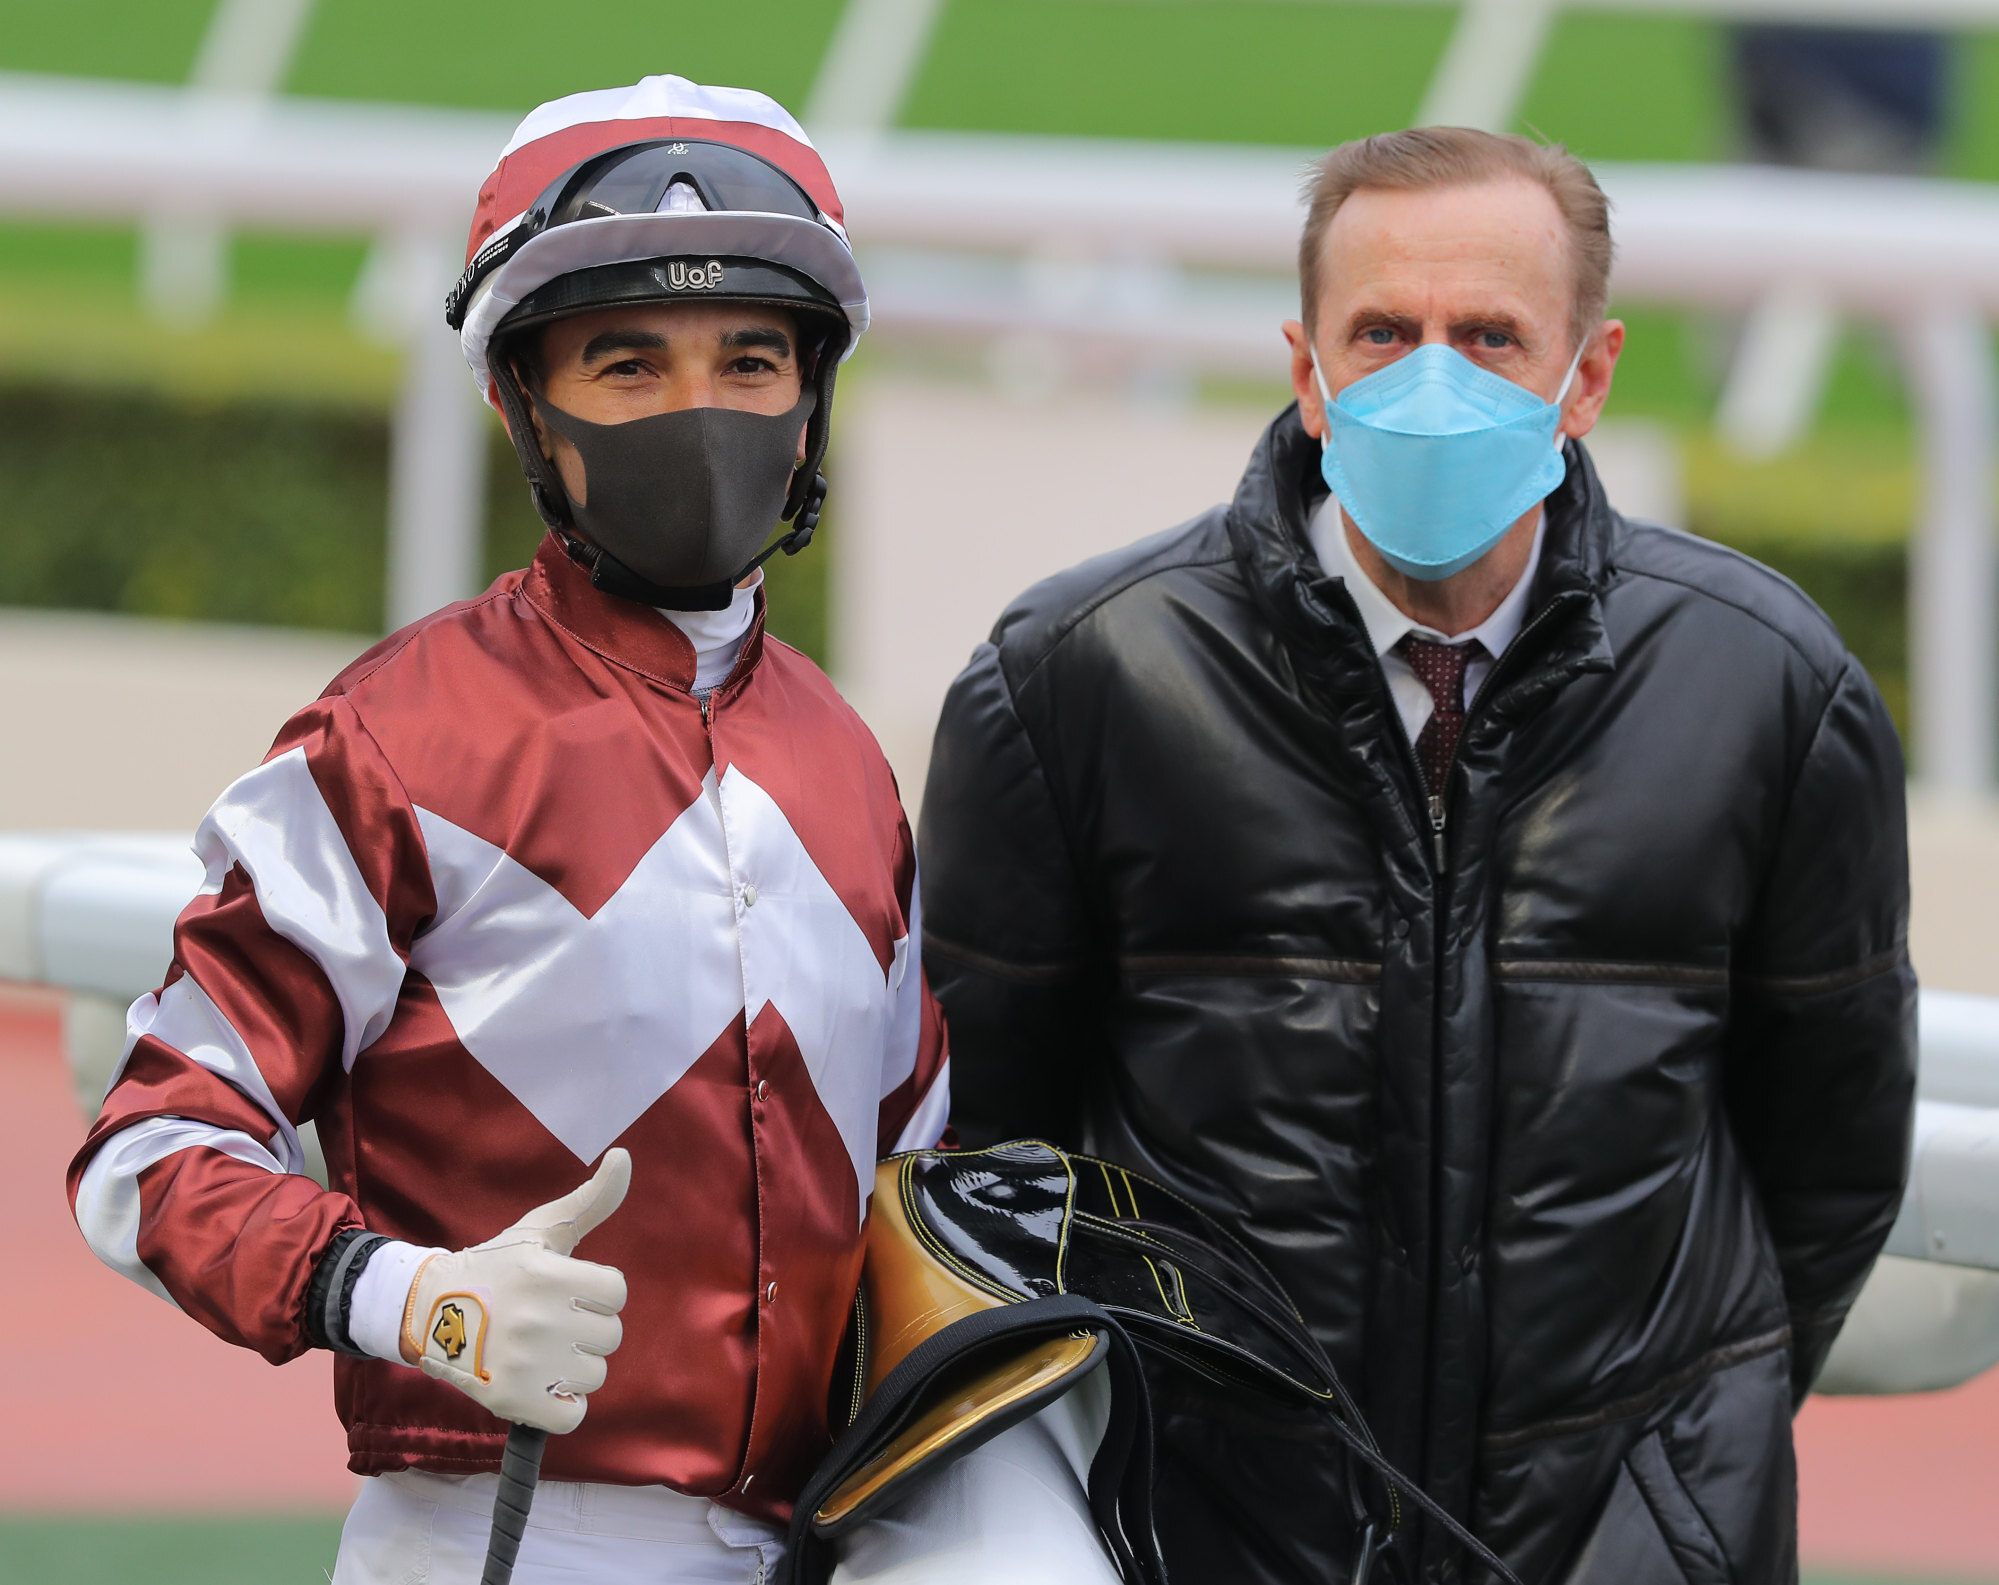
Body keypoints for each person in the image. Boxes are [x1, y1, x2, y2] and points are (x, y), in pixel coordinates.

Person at [919, 128, 1915, 1584]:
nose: (1428, 380)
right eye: (1382, 333)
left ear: (1589, 374)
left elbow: (1832, 1156)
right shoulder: (1079, 681)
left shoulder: (1768, 686)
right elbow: (987, 1149)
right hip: (1211, 1528)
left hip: (1627, 1540)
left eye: (1490, 337)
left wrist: (1679, 1462)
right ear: (1306, 369)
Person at [65, 76, 962, 1584]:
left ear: (812, 398)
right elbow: (147, 1148)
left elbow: (910, 1180)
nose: (701, 411)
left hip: (826, 1540)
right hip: (497, 1531)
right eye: (628, 364)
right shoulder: (389, 744)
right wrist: (407, 1295)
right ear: (521, 402)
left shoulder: (852, 766)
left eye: (750, 358)